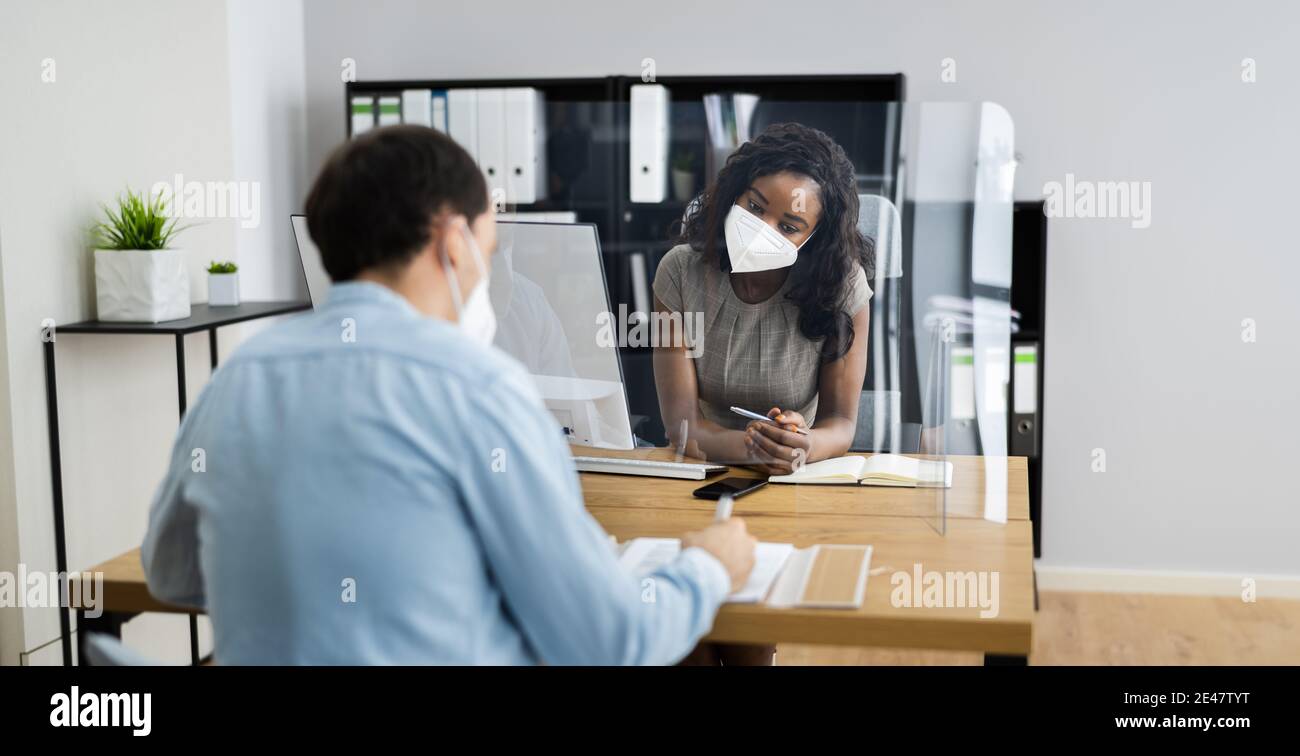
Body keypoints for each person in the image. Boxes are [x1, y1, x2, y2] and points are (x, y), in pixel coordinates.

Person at [141, 125, 756, 665]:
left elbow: (170, 572)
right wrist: (708, 567)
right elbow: (610, 641)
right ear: (454, 242)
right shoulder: (479, 390)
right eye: (488, 253)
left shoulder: (241, 375)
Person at [653, 122, 874, 477]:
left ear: (814, 238)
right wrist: (755, 449)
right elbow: (682, 429)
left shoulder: (842, 286)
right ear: (734, 194)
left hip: (800, 476)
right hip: (702, 470)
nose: (761, 231)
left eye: (788, 227)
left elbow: (840, 422)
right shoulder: (679, 273)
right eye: (755, 207)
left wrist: (804, 445)